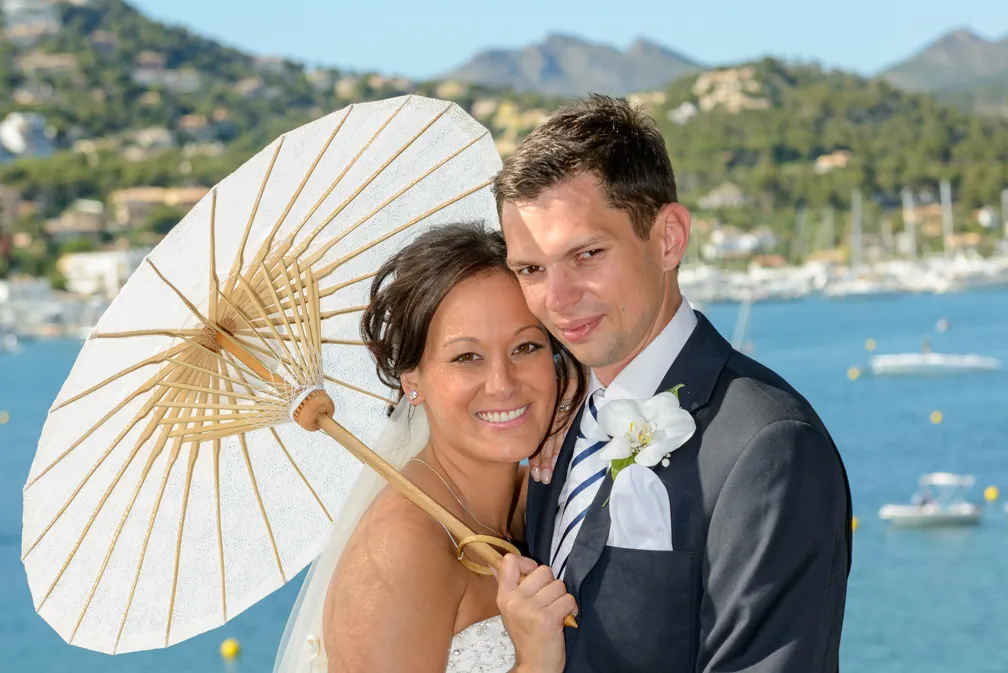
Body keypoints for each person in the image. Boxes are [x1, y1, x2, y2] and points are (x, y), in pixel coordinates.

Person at [494, 94, 853, 673]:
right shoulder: (560, 424)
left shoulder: (768, 446)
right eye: (531, 269)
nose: (556, 300)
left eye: (586, 254)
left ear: (668, 238)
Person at [273, 222, 585, 673]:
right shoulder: (398, 551)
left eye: (526, 347)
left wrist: (571, 403)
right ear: (412, 382)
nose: (503, 384)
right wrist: (533, 663)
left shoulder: (535, 494)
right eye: (466, 357)